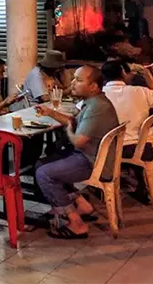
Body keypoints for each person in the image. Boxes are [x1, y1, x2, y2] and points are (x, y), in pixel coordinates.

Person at [35, 65, 119, 239]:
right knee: (43, 162)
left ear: (94, 86)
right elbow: (73, 121)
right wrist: (50, 112)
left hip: (92, 162)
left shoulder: (97, 107)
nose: (73, 83)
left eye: (79, 80)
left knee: (44, 173)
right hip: (92, 156)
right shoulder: (94, 102)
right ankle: (82, 205)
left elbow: (78, 141)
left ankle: (75, 223)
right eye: (73, 78)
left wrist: (67, 130)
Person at [102, 59, 153, 203]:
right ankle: (145, 187)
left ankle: (102, 189)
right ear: (123, 72)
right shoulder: (141, 91)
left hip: (110, 148)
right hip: (142, 147)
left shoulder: (99, 95)